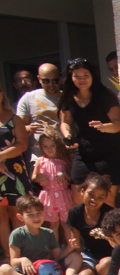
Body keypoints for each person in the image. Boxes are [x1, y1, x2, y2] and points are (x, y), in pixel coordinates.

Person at [59, 58, 120, 203]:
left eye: (86, 75)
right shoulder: (68, 97)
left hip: (110, 152)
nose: (82, 79)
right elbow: (65, 122)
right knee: (79, 197)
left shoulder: (104, 95)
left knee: (106, 200)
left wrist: (104, 127)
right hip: (84, 152)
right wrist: (68, 135)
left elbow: (118, 124)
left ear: (92, 76)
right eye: (77, 76)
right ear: (71, 78)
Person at [0, 194, 88, 275]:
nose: (36, 218)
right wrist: (22, 259)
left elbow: (58, 256)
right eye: (30, 215)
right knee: (4, 269)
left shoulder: (48, 233)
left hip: (50, 273)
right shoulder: (17, 234)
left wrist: (69, 248)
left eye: (39, 213)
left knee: (76, 256)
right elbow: (13, 262)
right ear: (20, 217)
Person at [0, 83, 35, 259]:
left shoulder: (14, 119)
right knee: (1, 216)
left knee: (18, 213)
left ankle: (22, 254)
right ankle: (9, 256)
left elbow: (22, 145)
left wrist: (0, 157)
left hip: (15, 171)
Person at [30, 131, 73, 240]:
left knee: (66, 224)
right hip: (49, 196)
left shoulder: (64, 160)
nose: (49, 149)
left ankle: (71, 246)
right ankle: (55, 248)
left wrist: (64, 174)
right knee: (53, 225)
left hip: (64, 196)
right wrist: (39, 176)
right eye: (45, 146)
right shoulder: (40, 160)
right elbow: (33, 177)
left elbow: (71, 178)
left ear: (57, 145)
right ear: (41, 147)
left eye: (52, 146)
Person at [16, 63, 63, 159]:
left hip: (66, 154)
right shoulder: (28, 98)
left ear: (60, 79)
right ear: (39, 79)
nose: (51, 84)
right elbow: (18, 129)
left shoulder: (67, 97)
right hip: (40, 157)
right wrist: (28, 129)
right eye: (46, 81)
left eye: (55, 80)